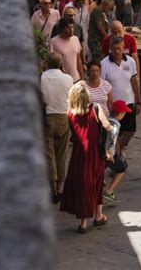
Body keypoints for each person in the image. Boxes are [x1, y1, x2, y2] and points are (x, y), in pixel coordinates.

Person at [60, 82, 113, 233]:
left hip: (78, 154)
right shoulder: (95, 108)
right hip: (95, 152)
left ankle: (94, 217)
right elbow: (107, 126)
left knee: (84, 184)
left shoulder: (70, 113)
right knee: (95, 182)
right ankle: (92, 218)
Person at [40, 53, 73, 203]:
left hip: (47, 117)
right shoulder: (68, 78)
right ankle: (60, 188)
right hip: (63, 117)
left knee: (49, 154)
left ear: (46, 63)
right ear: (61, 65)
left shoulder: (41, 78)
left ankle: (52, 189)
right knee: (62, 154)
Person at [101, 35, 141, 153]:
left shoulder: (130, 61)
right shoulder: (104, 64)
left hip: (128, 102)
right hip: (113, 104)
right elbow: (103, 85)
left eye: (119, 48)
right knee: (115, 132)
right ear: (110, 49)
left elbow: (134, 81)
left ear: (123, 47)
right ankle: (116, 155)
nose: (117, 52)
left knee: (131, 130)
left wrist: (138, 101)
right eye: (114, 49)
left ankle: (119, 149)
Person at [103, 100, 132, 203]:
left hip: (100, 150)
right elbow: (113, 137)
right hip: (109, 153)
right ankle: (109, 191)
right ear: (120, 114)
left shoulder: (105, 119)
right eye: (124, 113)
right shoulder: (116, 124)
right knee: (121, 169)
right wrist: (110, 152)